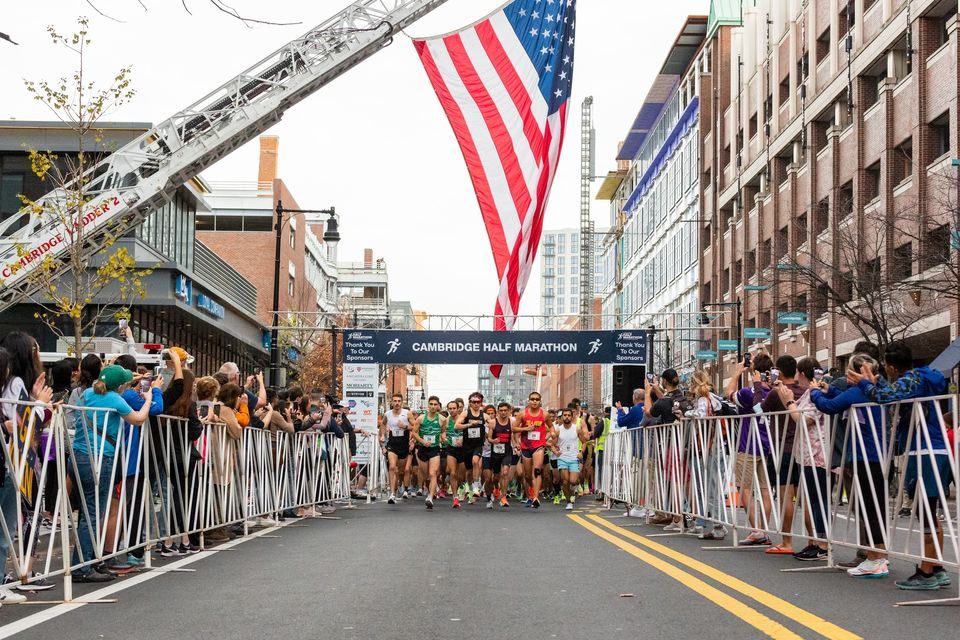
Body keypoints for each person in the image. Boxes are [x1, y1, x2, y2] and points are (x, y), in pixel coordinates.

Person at [850, 341, 951, 589]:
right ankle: (936, 567)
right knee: (930, 509)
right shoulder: (923, 379)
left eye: (887, 366)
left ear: (892, 367)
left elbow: (885, 397)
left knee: (925, 510)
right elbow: (893, 392)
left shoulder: (913, 379)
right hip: (935, 447)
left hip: (923, 448)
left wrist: (864, 383)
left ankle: (927, 572)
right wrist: (874, 382)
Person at [71, 364, 157, 582]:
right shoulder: (114, 399)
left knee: (88, 511)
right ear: (120, 386)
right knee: (93, 513)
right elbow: (138, 419)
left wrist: (124, 380)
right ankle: (82, 567)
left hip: (78, 455)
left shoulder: (86, 394)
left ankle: (88, 560)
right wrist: (148, 399)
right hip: (100, 458)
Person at [810, 353, 888, 578]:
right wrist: (829, 390)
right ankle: (880, 556)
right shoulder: (878, 389)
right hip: (881, 455)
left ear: (856, 372)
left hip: (865, 455)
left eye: (849, 370)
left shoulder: (857, 392)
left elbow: (829, 406)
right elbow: (842, 399)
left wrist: (815, 392)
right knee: (877, 508)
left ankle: (873, 559)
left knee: (868, 508)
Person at [0, 334, 54, 597]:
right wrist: (41, 405)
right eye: (35, 351)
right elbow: (24, 423)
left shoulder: (15, 384)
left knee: (12, 524)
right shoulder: (15, 383)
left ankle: (12, 575)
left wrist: (35, 402)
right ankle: (21, 573)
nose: (38, 356)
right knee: (15, 523)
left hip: (16, 461)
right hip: (16, 462)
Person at [775, 357, 829, 562]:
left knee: (818, 499)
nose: (796, 377)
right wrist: (785, 397)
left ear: (803, 374)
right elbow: (794, 409)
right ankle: (814, 542)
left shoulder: (817, 393)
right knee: (811, 499)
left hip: (817, 453)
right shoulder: (808, 393)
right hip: (805, 454)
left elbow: (802, 419)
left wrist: (789, 401)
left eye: (798, 373)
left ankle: (823, 544)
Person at [725, 353, 774, 546]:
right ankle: (765, 528)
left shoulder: (748, 392)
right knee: (764, 488)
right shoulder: (774, 392)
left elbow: (729, 393)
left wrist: (738, 372)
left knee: (744, 487)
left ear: (754, 370)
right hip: (767, 444)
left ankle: (757, 530)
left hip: (748, 444)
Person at [761, 355, 806, 555]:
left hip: (781, 448)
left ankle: (787, 541)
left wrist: (762, 386)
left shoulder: (776, 392)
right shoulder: (804, 391)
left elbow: (760, 409)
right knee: (804, 497)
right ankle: (815, 541)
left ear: (778, 372)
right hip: (802, 449)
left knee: (785, 496)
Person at [681, 370, 726, 540]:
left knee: (711, 487)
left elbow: (701, 415)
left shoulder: (703, 398)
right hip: (715, 444)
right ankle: (713, 524)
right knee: (711, 486)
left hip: (710, 445)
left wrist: (687, 414)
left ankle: (718, 526)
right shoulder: (713, 397)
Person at [513, 391, 551, 508]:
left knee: (537, 470)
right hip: (526, 446)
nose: (534, 401)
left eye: (537, 399)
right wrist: (526, 429)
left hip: (539, 446)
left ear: (540, 401)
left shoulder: (545, 414)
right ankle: (533, 489)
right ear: (529, 401)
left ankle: (535, 497)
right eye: (532, 399)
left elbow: (551, 427)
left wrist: (550, 436)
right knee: (528, 475)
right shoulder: (522, 414)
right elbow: (513, 428)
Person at [548, 407, 589, 511]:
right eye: (565, 415)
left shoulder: (577, 429)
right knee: (565, 481)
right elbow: (552, 445)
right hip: (562, 458)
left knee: (573, 481)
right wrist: (556, 452)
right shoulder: (558, 430)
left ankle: (573, 491)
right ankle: (568, 501)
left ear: (572, 417)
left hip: (574, 458)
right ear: (562, 417)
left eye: (569, 415)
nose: (567, 417)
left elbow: (584, 442)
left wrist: (581, 452)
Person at [615, 388, 648, 518]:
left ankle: (639, 507)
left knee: (637, 479)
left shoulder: (636, 409)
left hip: (637, 448)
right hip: (649, 448)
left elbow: (621, 422)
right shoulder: (648, 408)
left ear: (635, 398)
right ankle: (648, 507)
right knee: (648, 480)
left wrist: (619, 410)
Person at [411, 396, 446, 509]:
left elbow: (443, 432)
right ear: (428, 405)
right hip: (423, 449)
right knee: (426, 475)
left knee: (433, 473)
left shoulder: (442, 419)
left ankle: (430, 497)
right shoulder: (421, 419)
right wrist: (422, 441)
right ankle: (429, 488)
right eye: (431, 404)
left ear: (438, 406)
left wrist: (443, 438)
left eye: (435, 404)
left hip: (434, 449)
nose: (433, 406)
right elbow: (414, 433)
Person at [454, 392, 486, 507]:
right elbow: (456, 426)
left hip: (478, 444)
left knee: (475, 461)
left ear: (481, 403)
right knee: (468, 472)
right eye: (474, 402)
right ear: (470, 403)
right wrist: (469, 425)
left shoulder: (484, 415)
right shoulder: (465, 413)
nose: (476, 404)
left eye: (478, 402)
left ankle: (476, 486)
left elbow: (493, 424)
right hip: (467, 445)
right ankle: (471, 489)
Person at [379, 393, 410, 504]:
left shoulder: (407, 413)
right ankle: (392, 494)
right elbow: (383, 424)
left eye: (399, 401)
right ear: (391, 402)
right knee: (392, 467)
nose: (397, 403)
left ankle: (401, 484)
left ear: (402, 402)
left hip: (403, 443)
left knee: (401, 470)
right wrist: (382, 435)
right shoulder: (387, 414)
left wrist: (405, 426)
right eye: (395, 401)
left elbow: (414, 427)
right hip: (392, 443)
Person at [485, 402, 514, 509]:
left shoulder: (512, 422)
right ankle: (493, 491)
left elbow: (514, 435)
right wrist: (493, 441)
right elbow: (489, 438)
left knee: (505, 473)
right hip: (495, 454)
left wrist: (516, 444)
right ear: (498, 412)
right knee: (495, 477)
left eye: (505, 410)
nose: (503, 412)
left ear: (509, 411)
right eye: (501, 410)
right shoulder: (493, 423)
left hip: (507, 452)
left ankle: (503, 497)